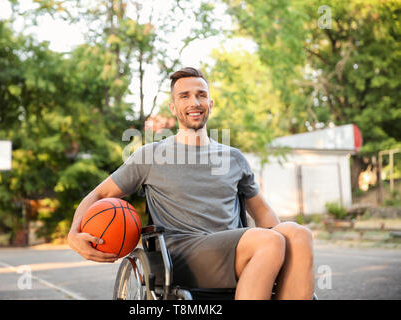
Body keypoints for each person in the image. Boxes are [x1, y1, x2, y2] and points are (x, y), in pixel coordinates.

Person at [67, 67, 314, 300]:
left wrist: (283, 250)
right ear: (174, 107)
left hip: (235, 246)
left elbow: (264, 215)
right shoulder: (151, 156)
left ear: (210, 104)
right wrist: (74, 234)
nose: (194, 103)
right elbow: (99, 194)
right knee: (269, 241)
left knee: (299, 234)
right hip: (181, 257)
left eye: (201, 95)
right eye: (184, 96)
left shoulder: (233, 158)